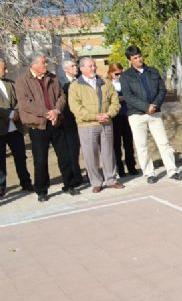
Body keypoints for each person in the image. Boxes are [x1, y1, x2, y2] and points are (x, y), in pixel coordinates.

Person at [15, 53, 81, 201]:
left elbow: (61, 96)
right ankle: (41, 190)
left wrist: (56, 111)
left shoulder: (52, 77)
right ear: (33, 65)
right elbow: (25, 104)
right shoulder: (22, 81)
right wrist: (46, 113)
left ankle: (69, 184)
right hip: (37, 125)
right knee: (40, 160)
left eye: (46, 62)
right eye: (43, 63)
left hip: (56, 122)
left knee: (65, 156)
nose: (46, 65)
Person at [119, 45, 182, 183]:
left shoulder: (153, 71)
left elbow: (162, 90)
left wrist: (155, 105)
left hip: (154, 113)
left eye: (140, 56)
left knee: (164, 142)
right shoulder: (125, 76)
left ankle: (172, 170)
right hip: (136, 115)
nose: (139, 59)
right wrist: (145, 107)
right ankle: (149, 173)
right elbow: (128, 96)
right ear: (130, 60)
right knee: (141, 146)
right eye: (135, 58)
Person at [69, 57, 124, 193]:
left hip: (106, 122)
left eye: (94, 65)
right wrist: (94, 116)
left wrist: (109, 114)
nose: (93, 68)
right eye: (90, 66)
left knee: (108, 152)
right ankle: (96, 182)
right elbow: (76, 108)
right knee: (90, 155)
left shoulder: (105, 82)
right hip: (87, 125)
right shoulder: (75, 86)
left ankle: (111, 179)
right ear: (82, 68)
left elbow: (115, 101)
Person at [0, 59, 33, 196]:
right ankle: (1, 187)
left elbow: (21, 99)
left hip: (15, 128)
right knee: (0, 160)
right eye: (4, 68)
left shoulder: (11, 84)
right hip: (1, 129)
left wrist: (17, 112)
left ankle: (26, 183)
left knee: (20, 156)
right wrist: (9, 114)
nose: (7, 71)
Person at [107, 63, 138, 177]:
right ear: (110, 73)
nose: (119, 76)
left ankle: (131, 167)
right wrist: (117, 98)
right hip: (114, 117)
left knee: (129, 143)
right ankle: (120, 169)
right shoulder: (107, 84)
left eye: (121, 73)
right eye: (116, 74)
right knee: (116, 145)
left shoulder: (125, 82)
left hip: (127, 114)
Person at [61, 59, 85, 187]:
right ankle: (76, 176)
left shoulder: (82, 80)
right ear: (65, 69)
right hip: (69, 121)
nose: (75, 67)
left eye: (76, 65)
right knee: (73, 150)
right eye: (72, 66)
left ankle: (92, 173)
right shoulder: (61, 83)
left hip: (84, 118)